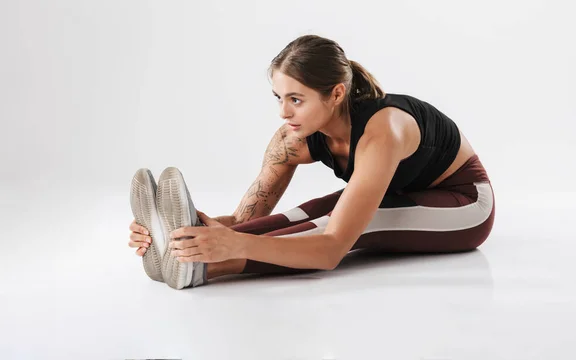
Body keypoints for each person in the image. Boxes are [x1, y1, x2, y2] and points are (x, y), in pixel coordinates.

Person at [128, 34, 496, 290]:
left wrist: (232, 247)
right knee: (317, 210)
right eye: (278, 97)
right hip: (401, 193)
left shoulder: (383, 130)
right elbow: (245, 221)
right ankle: (181, 248)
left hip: (464, 204)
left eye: (296, 100)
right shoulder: (292, 140)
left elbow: (332, 249)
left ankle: (205, 267)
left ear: (336, 93)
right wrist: (197, 230)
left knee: (350, 224)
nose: (283, 113)